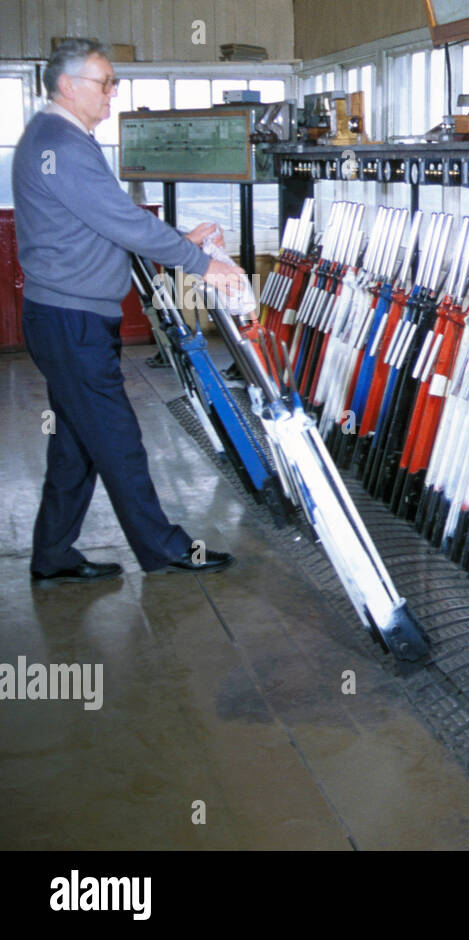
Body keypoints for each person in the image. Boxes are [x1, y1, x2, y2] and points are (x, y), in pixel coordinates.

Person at [13, 38, 241, 584]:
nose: (113, 92)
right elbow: (122, 222)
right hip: (73, 322)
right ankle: (165, 547)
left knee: (77, 444)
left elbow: (102, 221)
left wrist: (180, 240)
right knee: (117, 439)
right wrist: (198, 263)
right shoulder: (62, 146)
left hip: (67, 316)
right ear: (68, 86)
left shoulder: (61, 139)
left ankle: (52, 554)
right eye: (105, 82)